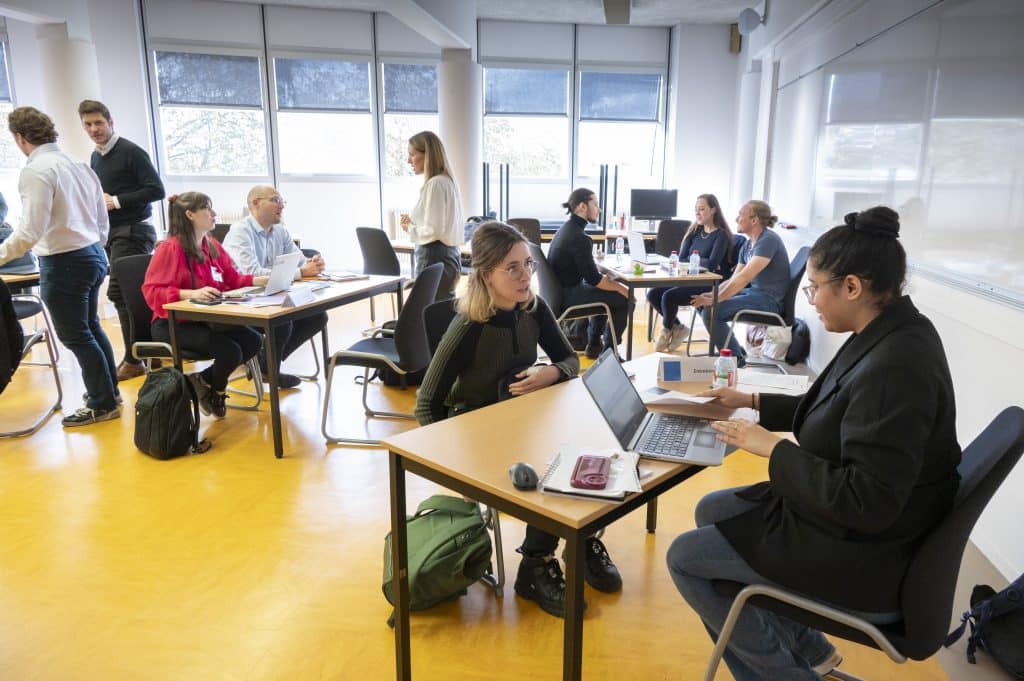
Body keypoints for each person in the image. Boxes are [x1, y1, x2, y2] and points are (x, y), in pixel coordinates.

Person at [666, 206, 962, 680]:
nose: (810, 301)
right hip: (872, 528)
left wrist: (771, 448)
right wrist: (752, 399)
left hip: (870, 554)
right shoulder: (892, 331)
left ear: (852, 287)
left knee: (685, 558)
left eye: (814, 289)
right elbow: (837, 403)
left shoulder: (897, 366)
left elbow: (866, 502)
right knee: (711, 511)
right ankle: (809, 647)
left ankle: (787, 672)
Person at [415, 221, 622, 618]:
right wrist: (455, 465)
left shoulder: (534, 308)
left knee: (593, 449)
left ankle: (583, 540)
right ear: (486, 274)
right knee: (549, 467)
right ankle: (536, 564)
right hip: (478, 433)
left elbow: (569, 360)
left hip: (523, 420)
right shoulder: (468, 326)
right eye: (513, 268)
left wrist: (550, 373)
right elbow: (426, 404)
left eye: (528, 264)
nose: (526, 275)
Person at [0, 106, 120, 426]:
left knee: (76, 334)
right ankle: (110, 393)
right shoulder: (77, 164)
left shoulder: (37, 170)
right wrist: (97, 247)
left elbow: (28, 232)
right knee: (90, 326)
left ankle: (101, 402)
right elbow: (101, 216)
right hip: (92, 253)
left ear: (20, 138)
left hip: (65, 261)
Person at [142, 192, 268, 418]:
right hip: (172, 324)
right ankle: (215, 392)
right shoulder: (169, 249)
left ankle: (203, 381)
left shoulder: (212, 246)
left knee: (253, 340)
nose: (214, 214)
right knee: (229, 350)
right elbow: (152, 292)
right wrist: (191, 293)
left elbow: (232, 280)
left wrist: (262, 280)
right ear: (190, 214)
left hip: (206, 320)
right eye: (208, 209)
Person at [79, 99, 165, 382]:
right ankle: (144, 354)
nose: (94, 129)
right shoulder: (96, 157)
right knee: (126, 296)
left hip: (134, 230)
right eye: (88, 124)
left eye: (98, 123)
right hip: (113, 234)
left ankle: (135, 358)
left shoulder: (130, 152)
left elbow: (156, 189)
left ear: (110, 121)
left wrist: (115, 201)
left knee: (122, 294)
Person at [222, 185, 327, 389]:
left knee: (318, 316)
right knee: (283, 320)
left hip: (271, 296)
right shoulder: (240, 232)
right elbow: (251, 274)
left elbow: (298, 260)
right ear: (255, 203)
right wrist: (301, 273)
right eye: (275, 200)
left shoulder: (280, 230)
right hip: (242, 299)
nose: (281, 206)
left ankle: (266, 364)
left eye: (282, 201)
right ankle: (269, 368)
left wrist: (313, 263)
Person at [690, 200, 789, 365]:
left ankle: (735, 360)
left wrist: (714, 300)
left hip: (770, 301)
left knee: (711, 311)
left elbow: (744, 279)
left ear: (754, 220)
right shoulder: (748, 245)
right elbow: (734, 278)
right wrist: (712, 294)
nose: (736, 219)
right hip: (755, 294)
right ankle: (734, 349)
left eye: (740, 215)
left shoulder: (768, 240)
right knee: (704, 303)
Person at [546, 188, 631, 359]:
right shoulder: (579, 237)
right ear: (582, 207)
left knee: (607, 293)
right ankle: (609, 352)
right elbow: (594, 280)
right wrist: (623, 289)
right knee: (623, 299)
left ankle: (594, 345)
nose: (599, 209)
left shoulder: (566, 229)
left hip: (558, 295)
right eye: (596, 204)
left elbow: (587, 272)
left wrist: (611, 284)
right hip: (568, 297)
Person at [648, 193, 734, 352]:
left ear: (713, 210)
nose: (697, 213)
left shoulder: (721, 235)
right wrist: (699, 260)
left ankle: (666, 332)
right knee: (653, 294)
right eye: (696, 209)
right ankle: (678, 327)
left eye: (702, 209)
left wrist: (693, 258)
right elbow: (682, 258)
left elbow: (713, 263)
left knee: (669, 296)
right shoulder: (694, 231)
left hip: (710, 283)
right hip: (690, 278)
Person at [400, 131, 463, 302]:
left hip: (434, 255)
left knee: (429, 312)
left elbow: (433, 231)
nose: (408, 160)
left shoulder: (435, 184)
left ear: (428, 155)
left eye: (412, 155)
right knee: (441, 310)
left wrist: (409, 228)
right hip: (447, 255)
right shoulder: (446, 181)